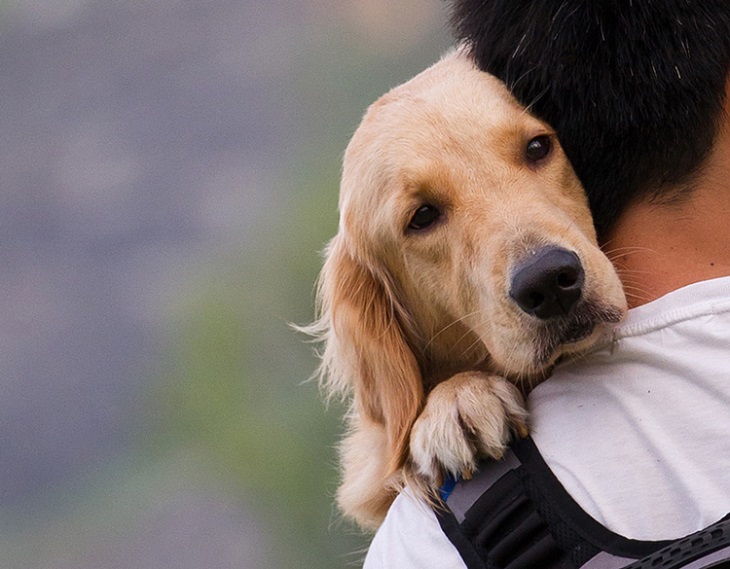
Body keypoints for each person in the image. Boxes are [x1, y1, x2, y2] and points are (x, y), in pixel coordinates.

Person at [363, 3, 730, 567]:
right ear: (389, 315)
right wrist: (447, 397)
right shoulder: (445, 529)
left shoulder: (432, 546)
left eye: (536, 149)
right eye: (425, 217)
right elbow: (378, 471)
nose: (535, 265)